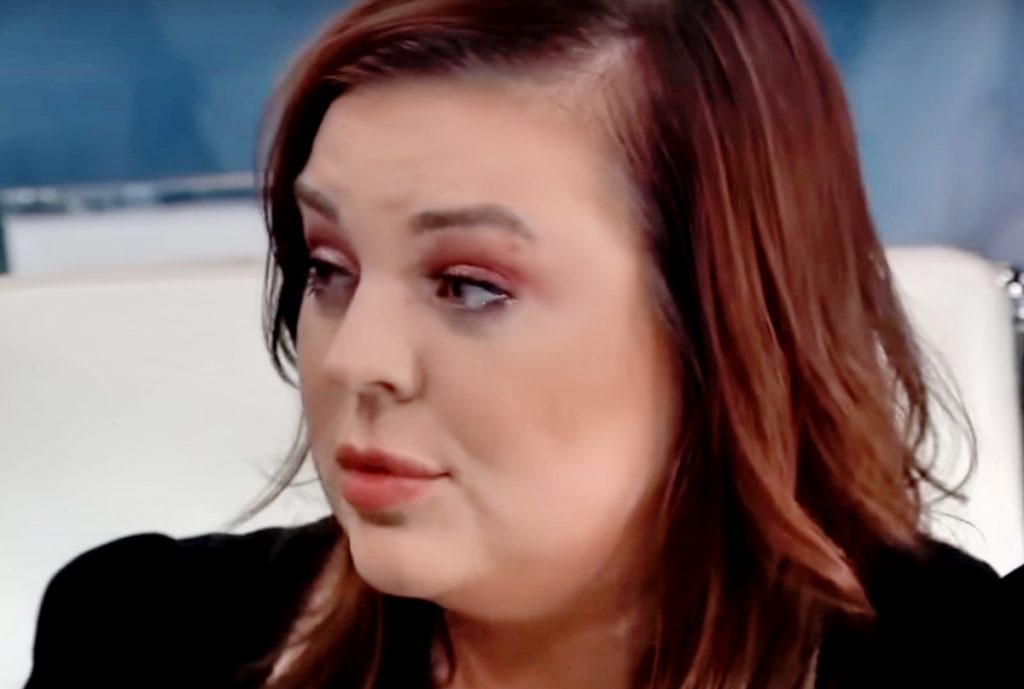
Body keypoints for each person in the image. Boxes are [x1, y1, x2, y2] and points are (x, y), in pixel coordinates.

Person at [23, 1, 1008, 688]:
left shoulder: (951, 656)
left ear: (724, 322)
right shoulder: (140, 639)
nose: (353, 358)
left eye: (468, 285)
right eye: (328, 267)